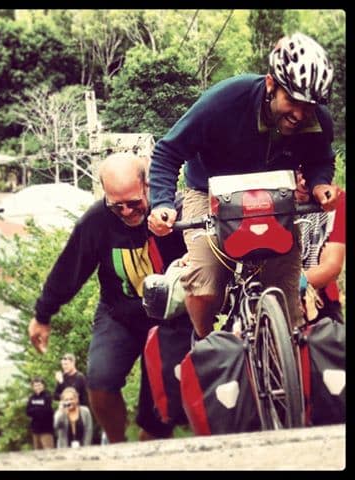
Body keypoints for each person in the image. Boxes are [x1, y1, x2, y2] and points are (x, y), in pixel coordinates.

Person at [147, 32, 340, 338]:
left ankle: (282, 353)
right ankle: (206, 343)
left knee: (288, 299)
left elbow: (321, 160)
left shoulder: (317, 121)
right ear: (270, 84)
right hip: (208, 192)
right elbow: (167, 151)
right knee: (206, 282)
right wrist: (162, 204)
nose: (300, 114)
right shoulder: (224, 101)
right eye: (292, 100)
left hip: (272, 198)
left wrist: (319, 185)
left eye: (310, 106)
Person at [28, 152, 187, 443]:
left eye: (134, 203)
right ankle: (116, 446)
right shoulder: (97, 221)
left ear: (148, 186)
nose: (127, 212)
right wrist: (42, 315)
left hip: (171, 320)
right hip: (119, 315)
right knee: (99, 381)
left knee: (157, 416)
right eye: (117, 206)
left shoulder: (175, 213)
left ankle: (151, 449)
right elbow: (69, 269)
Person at [295, 171, 345, 323]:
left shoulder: (336, 201)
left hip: (320, 302)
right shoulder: (266, 202)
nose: (304, 181)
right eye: (297, 173)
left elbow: (331, 266)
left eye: (308, 172)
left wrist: (295, 285)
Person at [26, 376, 55, 449]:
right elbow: (28, 411)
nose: (37, 387)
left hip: (46, 429)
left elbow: (47, 411)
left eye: (39, 385)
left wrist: (35, 410)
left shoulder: (48, 396)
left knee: (48, 451)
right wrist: (39, 409)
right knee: (37, 452)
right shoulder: (31, 398)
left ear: (43, 385)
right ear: (32, 387)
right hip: (35, 430)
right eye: (35, 385)